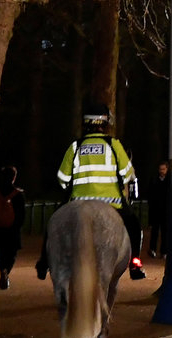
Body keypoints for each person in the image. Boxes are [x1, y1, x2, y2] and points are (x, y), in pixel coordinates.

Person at [36, 102, 145, 281]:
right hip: (113, 204)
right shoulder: (114, 145)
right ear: (105, 123)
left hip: (77, 203)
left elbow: (62, 178)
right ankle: (135, 264)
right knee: (133, 225)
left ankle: (44, 263)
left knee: (53, 223)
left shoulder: (75, 147)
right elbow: (128, 174)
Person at [0, 165, 26, 289]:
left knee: (1, 252)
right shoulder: (18, 194)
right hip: (13, 230)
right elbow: (22, 214)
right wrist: (17, 226)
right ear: (14, 177)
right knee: (12, 253)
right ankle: (7, 271)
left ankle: (2, 269)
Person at [146, 161, 169, 257]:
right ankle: (152, 250)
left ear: (167, 169)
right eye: (160, 169)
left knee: (165, 232)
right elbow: (150, 194)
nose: (162, 171)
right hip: (156, 209)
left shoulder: (169, 181)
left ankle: (164, 252)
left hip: (165, 209)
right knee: (154, 231)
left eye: (163, 169)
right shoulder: (154, 180)